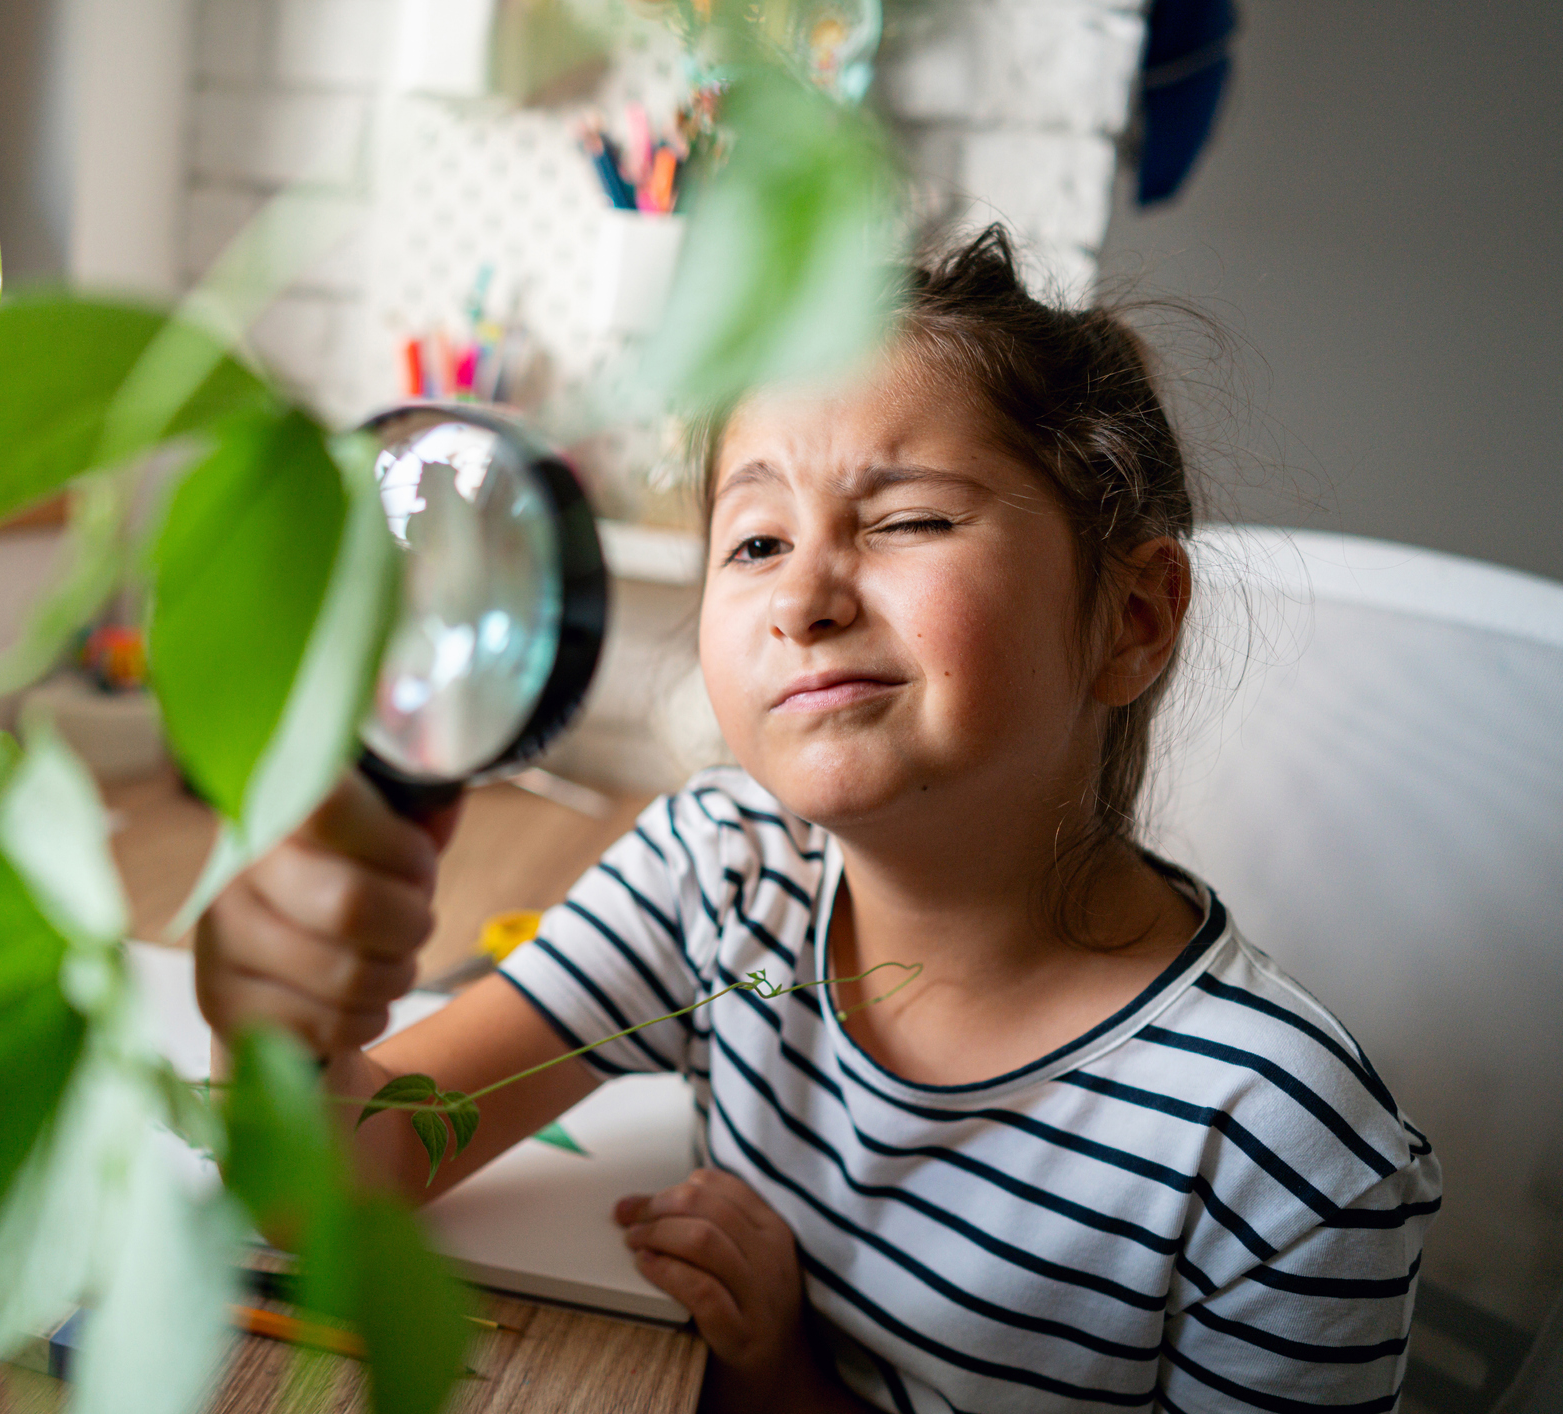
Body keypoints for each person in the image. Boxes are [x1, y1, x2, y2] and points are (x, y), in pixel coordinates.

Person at [195, 226, 1441, 1413]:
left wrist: (787, 1385)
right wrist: (276, 1034)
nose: (800, 595)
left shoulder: (1285, 1156)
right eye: (750, 541)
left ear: (1132, 618)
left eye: (906, 519)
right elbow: (341, 1182)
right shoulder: (717, 873)